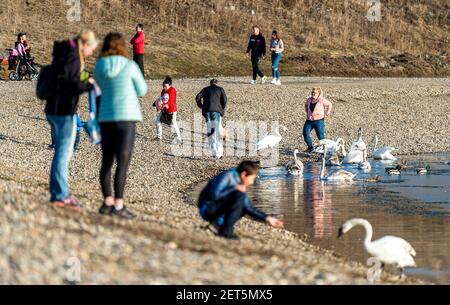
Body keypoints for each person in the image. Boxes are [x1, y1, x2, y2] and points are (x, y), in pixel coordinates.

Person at [94, 32, 148, 219]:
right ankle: (119, 205)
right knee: (122, 163)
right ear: (123, 46)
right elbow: (142, 90)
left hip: (106, 116)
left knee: (107, 160)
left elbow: (99, 86)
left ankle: (107, 201)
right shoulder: (130, 65)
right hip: (126, 116)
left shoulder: (100, 65)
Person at [44, 30, 98, 210]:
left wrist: (85, 76)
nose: (91, 53)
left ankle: (57, 193)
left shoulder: (67, 54)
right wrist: (88, 84)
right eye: (91, 49)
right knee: (63, 155)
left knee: (61, 153)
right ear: (85, 45)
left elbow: (71, 76)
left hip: (55, 108)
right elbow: (71, 83)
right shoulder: (73, 57)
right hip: (63, 110)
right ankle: (61, 196)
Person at [198, 161, 284, 239]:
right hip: (207, 209)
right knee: (240, 197)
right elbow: (213, 195)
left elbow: (249, 207)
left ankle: (220, 227)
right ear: (244, 175)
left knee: (242, 202)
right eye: (252, 179)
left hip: (216, 210)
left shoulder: (239, 183)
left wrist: (267, 219)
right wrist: (233, 189)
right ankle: (225, 231)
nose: (252, 182)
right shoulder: (227, 176)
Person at [195, 79, 227, 159]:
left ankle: (213, 153)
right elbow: (225, 100)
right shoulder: (220, 89)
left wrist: (201, 105)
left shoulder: (205, 89)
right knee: (216, 132)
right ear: (217, 83)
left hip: (207, 112)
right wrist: (221, 108)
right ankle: (219, 154)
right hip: (216, 111)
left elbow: (197, 97)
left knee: (210, 131)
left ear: (210, 84)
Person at [303, 87, 333, 153]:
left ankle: (323, 151)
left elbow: (330, 105)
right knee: (305, 133)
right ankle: (310, 147)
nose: (313, 94)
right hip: (309, 121)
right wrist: (308, 112)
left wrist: (326, 114)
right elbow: (305, 105)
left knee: (320, 137)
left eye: (315, 93)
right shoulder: (309, 100)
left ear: (319, 93)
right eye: (312, 92)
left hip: (319, 121)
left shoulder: (322, 100)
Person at [155, 76, 181, 144]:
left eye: (165, 86)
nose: (163, 87)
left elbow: (171, 101)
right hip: (164, 110)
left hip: (171, 110)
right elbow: (161, 99)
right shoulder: (163, 90)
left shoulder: (172, 90)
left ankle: (179, 138)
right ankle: (159, 137)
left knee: (173, 124)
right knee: (158, 121)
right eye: (163, 85)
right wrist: (157, 105)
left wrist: (166, 105)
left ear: (169, 85)